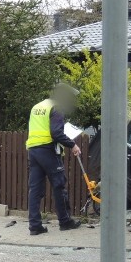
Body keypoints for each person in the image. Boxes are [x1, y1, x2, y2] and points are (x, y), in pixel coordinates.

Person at [25, 83, 83, 235]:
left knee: (35, 189)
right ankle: (65, 221)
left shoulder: (37, 106)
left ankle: (35, 226)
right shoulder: (56, 108)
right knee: (59, 185)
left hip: (33, 150)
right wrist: (73, 145)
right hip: (48, 150)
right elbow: (56, 133)